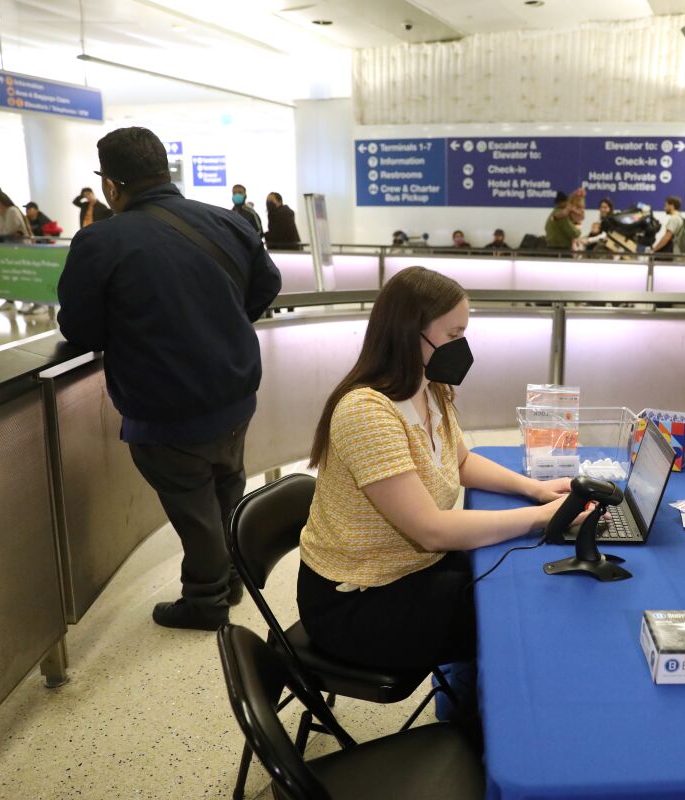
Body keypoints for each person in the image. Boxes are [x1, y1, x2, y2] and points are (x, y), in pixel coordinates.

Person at [297, 266, 584, 681]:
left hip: (411, 570)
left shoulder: (428, 388)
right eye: (452, 336)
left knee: (514, 582)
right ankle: (482, 734)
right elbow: (431, 530)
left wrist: (534, 490)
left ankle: (472, 714)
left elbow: (460, 461)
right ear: (409, 333)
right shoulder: (365, 412)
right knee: (515, 620)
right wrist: (544, 517)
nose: (461, 346)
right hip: (357, 600)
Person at [58, 126, 282, 631]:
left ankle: (206, 603)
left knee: (195, 509)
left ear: (112, 185)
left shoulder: (101, 240)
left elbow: (80, 327)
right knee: (227, 488)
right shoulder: (228, 222)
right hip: (236, 394)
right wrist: (219, 321)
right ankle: (233, 581)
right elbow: (267, 284)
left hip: (166, 408)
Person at [0, 191, 35, 312]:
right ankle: (10, 300)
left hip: (20, 248)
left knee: (22, 275)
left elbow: (8, 230)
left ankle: (27, 301)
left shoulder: (12, 211)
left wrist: (0, 231)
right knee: (9, 276)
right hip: (9, 248)